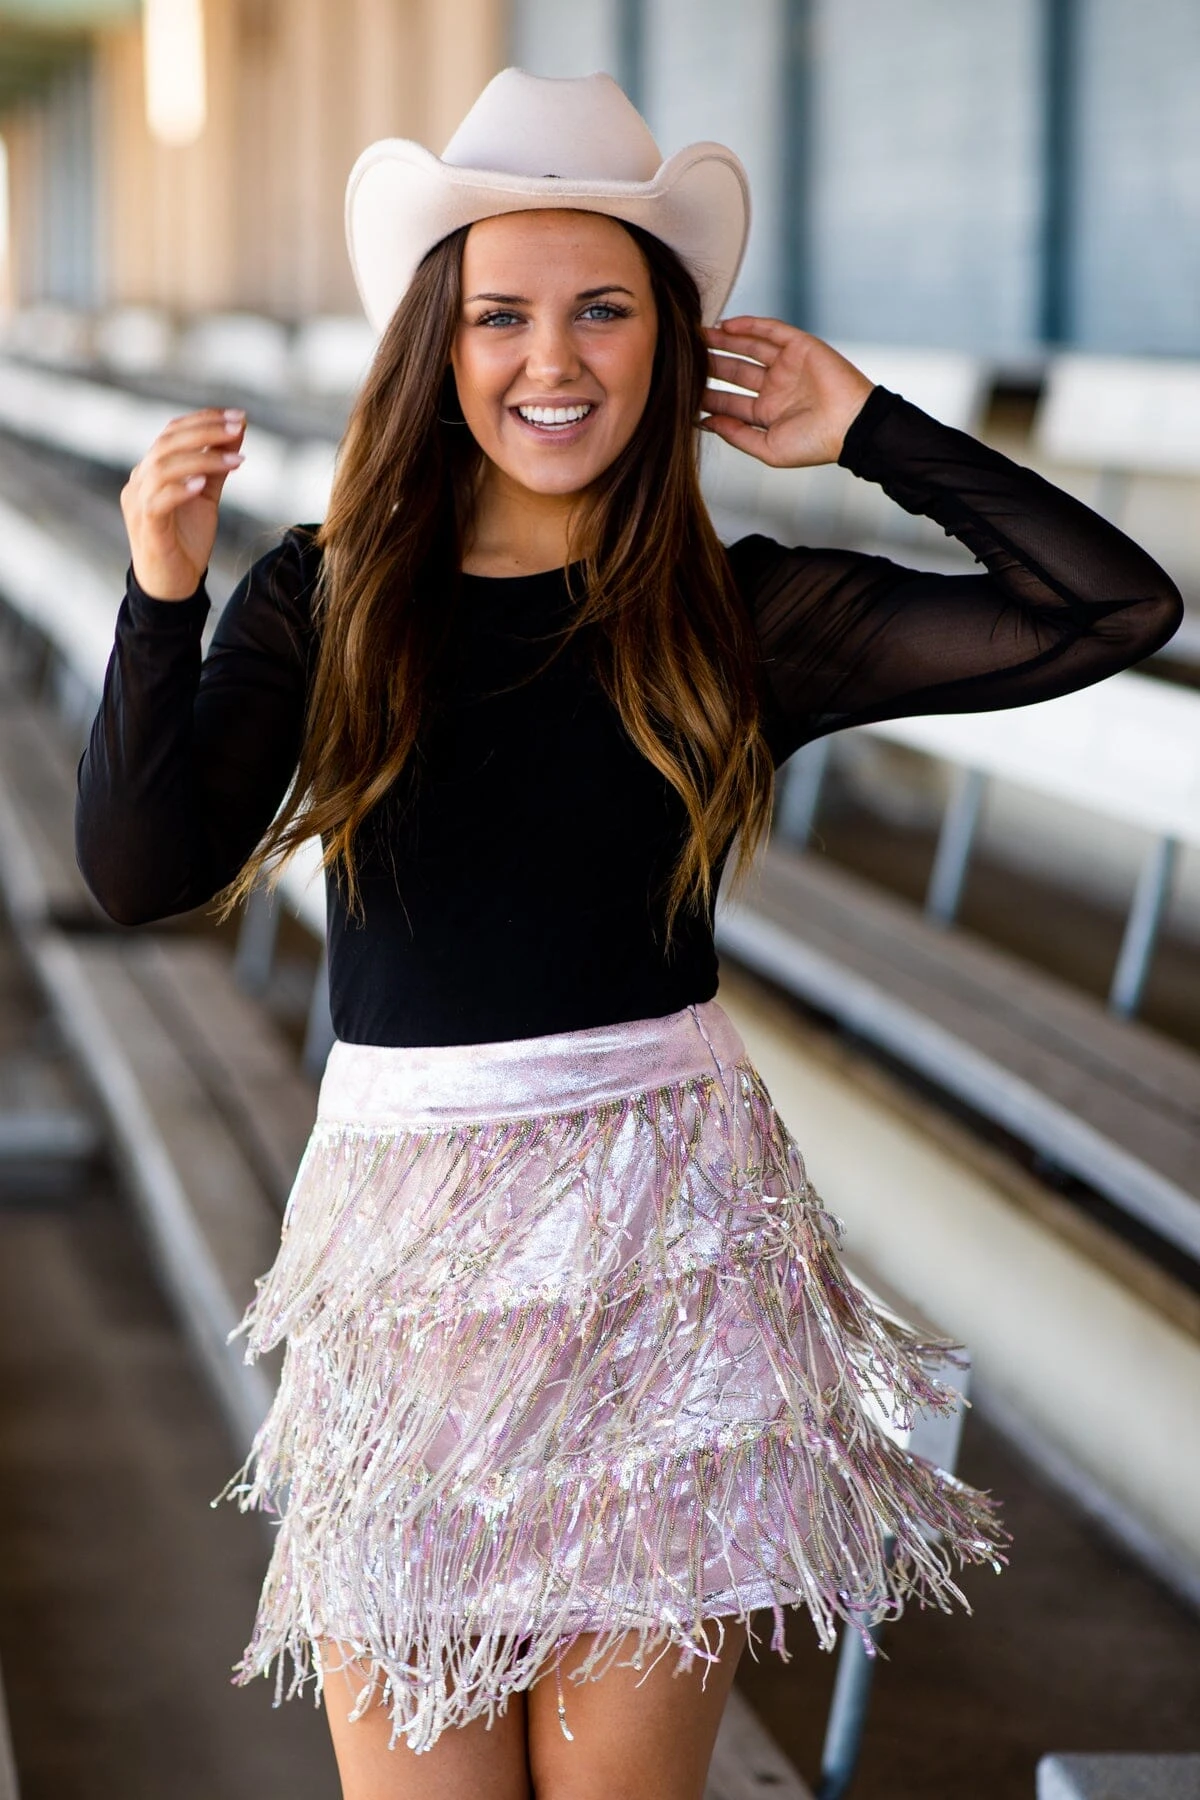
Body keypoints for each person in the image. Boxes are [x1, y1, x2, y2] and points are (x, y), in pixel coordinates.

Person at [76, 66, 1181, 1800]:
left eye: (605, 310)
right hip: (410, 1273)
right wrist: (159, 594)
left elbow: (1114, 605)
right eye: (503, 314)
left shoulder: (734, 615)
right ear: (440, 345)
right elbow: (140, 871)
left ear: (669, 339)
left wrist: (872, 427)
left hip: (666, 1258)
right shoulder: (330, 591)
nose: (554, 360)